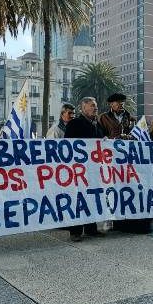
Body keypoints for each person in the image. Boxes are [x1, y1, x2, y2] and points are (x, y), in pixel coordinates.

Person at [64, 97, 106, 241]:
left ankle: (91, 228)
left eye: (96, 105)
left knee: (93, 197)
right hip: (79, 170)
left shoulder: (98, 125)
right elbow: (67, 146)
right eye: (93, 106)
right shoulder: (74, 124)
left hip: (94, 170)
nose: (96, 108)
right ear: (83, 108)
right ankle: (75, 231)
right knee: (78, 199)